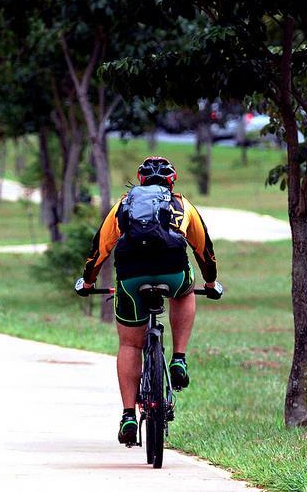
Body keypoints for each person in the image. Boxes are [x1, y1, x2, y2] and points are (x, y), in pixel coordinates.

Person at [75, 156, 223, 445]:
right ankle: (179, 358)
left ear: (140, 181)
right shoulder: (183, 205)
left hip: (131, 278)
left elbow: (100, 248)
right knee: (185, 289)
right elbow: (204, 249)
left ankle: (129, 415)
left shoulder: (123, 205)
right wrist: (211, 282)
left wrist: (88, 281)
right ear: (172, 181)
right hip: (173, 272)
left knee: (130, 343)